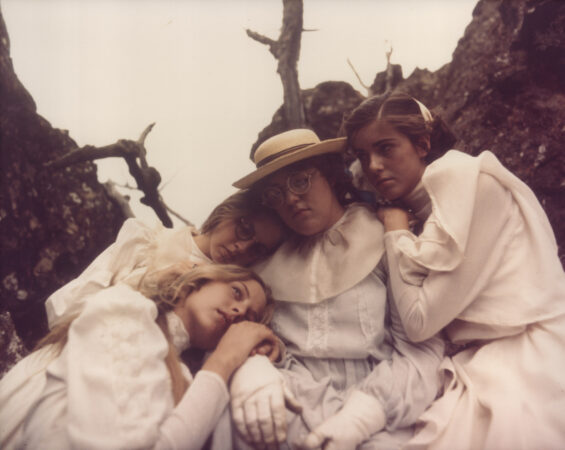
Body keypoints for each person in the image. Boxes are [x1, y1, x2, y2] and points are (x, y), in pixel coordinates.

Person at [343, 92, 565, 449]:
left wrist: (395, 231)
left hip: (526, 350)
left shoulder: (467, 181)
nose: (373, 166)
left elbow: (419, 323)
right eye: (362, 155)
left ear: (423, 144)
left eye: (386, 148)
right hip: (466, 359)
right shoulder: (413, 205)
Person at [222, 128, 445, 449]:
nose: (291, 199)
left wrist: (364, 414)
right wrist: (253, 368)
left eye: (301, 181)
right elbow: (240, 332)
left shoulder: (387, 234)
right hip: (289, 406)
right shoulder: (263, 266)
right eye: (275, 193)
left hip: (379, 411)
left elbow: (420, 347)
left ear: (330, 176)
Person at [0, 263, 279, 449]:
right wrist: (225, 359)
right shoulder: (125, 307)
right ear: (201, 281)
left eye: (248, 317)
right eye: (236, 292)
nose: (239, 311)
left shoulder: (186, 381)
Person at [45, 189, 286, 330]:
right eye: (245, 229)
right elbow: (62, 310)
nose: (242, 247)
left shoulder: (239, 298)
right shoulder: (146, 241)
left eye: (257, 249)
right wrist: (151, 284)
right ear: (228, 210)